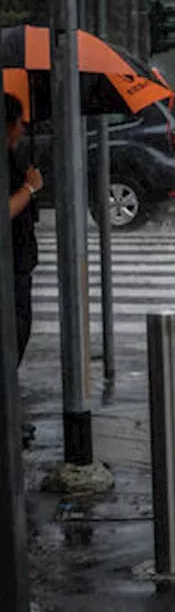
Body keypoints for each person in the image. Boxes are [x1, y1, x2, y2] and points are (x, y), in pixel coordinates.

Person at [7, 94, 42, 448]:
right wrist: (30, 188)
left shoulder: (11, 157)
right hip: (11, 271)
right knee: (11, 343)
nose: (23, 127)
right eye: (18, 122)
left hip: (20, 266)